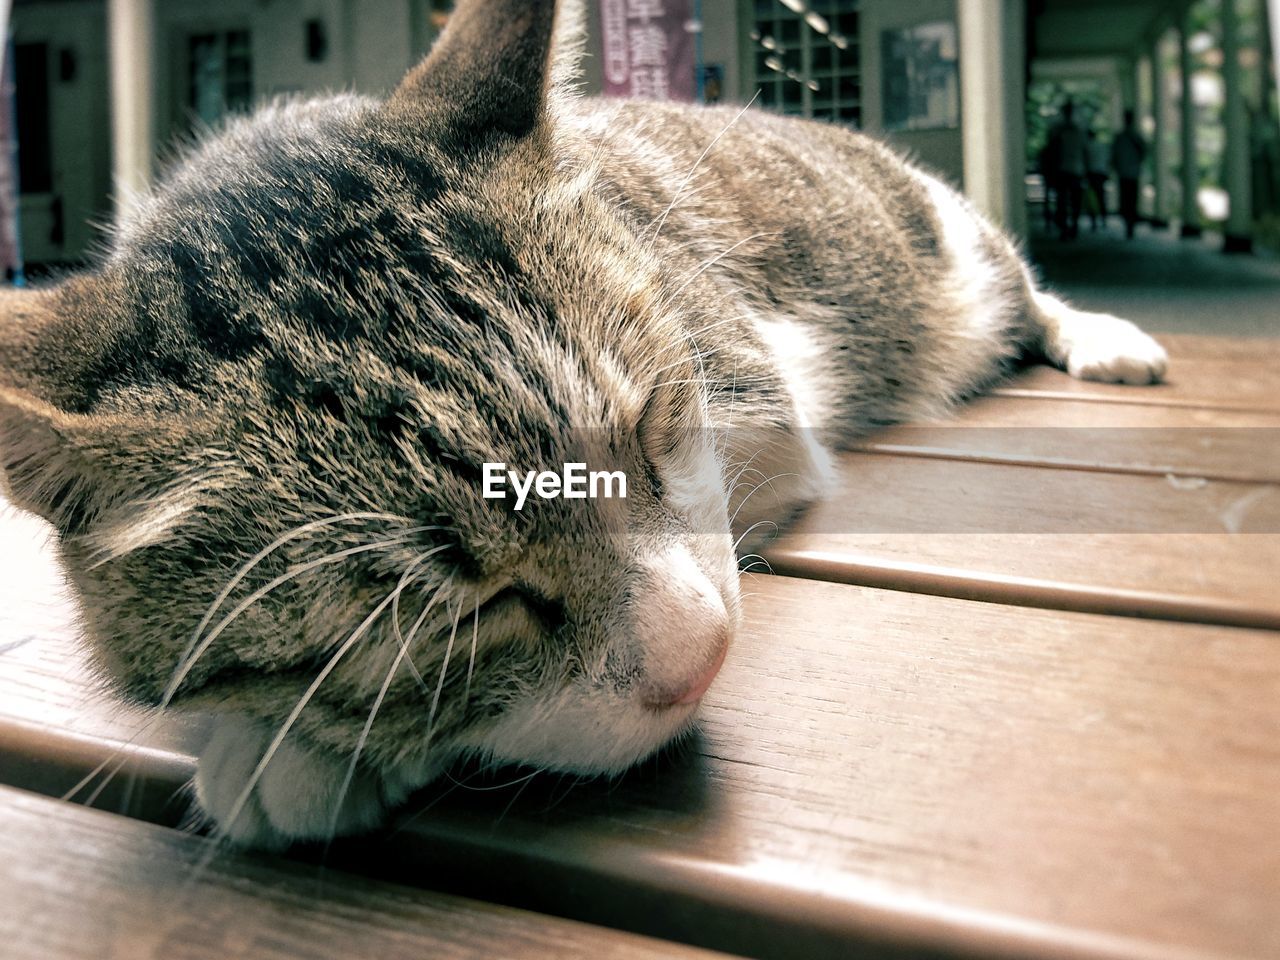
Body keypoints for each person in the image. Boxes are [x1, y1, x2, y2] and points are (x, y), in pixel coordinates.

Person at [1047, 102, 1086, 239]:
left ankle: (1068, 226)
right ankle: (1070, 225)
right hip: (1072, 169)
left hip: (1066, 169)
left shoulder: (1059, 129)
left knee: (1065, 200)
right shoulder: (1079, 129)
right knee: (1068, 200)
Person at [1111, 109, 1146, 239]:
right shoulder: (1135, 136)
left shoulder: (1121, 137)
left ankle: (1129, 223)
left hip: (1124, 172)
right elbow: (1143, 151)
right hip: (1132, 172)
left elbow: (1114, 155)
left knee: (1126, 199)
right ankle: (1130, 223)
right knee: (1131, 199)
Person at [1085, 129, 1110, 231]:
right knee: (1101, 196)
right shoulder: (1102, 146)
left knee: (1092, 197)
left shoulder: (1087, 146)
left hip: (1091, 173)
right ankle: (1103, 219)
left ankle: (1094, 221)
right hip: (1101, 173)